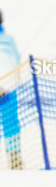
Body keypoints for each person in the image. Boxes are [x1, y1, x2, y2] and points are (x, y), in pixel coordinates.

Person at [0, 10, 23, 169]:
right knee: (11, 124)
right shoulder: (8, 40)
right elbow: (16, 61)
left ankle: (15, 159)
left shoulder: (8, 40)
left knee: (11, 124)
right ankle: (15, 160)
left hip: (7, 86)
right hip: (9, 87)